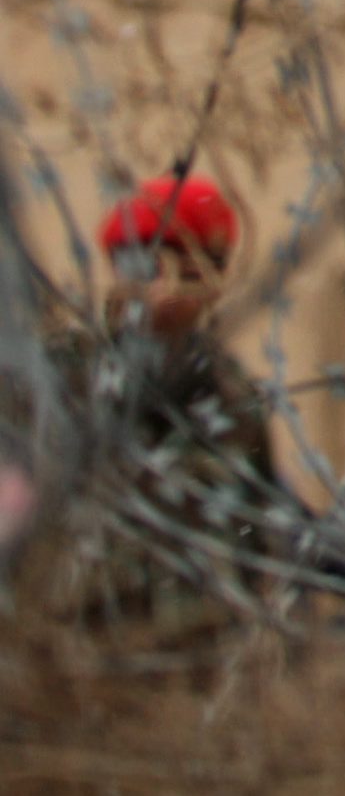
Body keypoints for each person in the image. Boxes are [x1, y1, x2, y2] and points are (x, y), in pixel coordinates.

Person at [2, 172, 295, 653]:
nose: (160, 283)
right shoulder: (59, 377)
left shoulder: (227, 396)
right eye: (140, 263)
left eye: (191, 265)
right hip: (66, 645)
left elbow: (254, 531)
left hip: (185, 653)